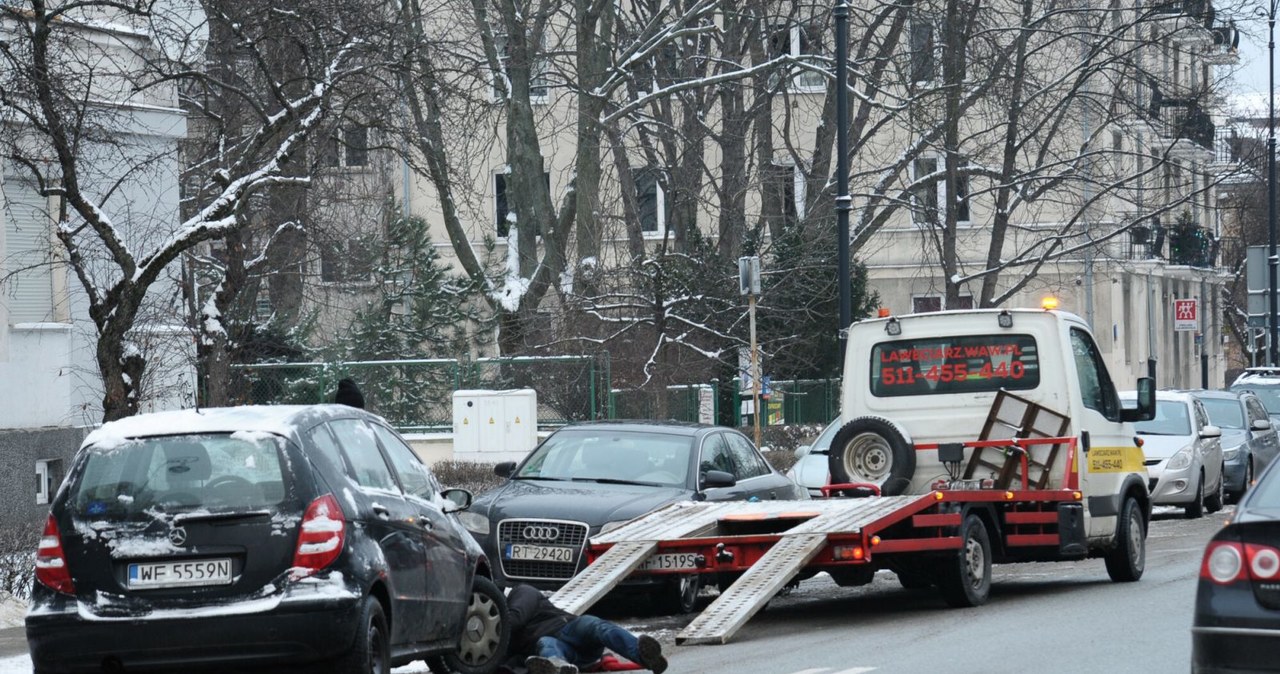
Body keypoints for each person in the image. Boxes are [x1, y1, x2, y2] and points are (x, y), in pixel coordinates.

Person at [506, 583, 668, 674]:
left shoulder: (521, 591)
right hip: (567, 653)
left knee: (594, 625)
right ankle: (558, 667)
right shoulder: (500, 638)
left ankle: (644, 655)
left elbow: (516, 618)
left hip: (568, 628)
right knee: (546, 644)